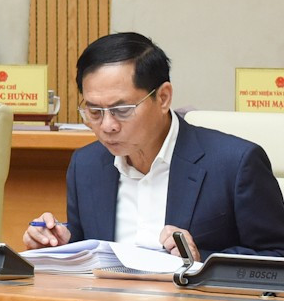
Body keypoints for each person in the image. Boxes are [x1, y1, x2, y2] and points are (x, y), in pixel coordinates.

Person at [25, 33, 284, 258]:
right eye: (94, 111)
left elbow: (277, 256)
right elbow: (88, 243)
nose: (107, 126)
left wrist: (201, 260)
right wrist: (58, 242)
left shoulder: (235, 163)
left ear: (163, 97)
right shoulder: (86, 164)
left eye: (122, 110)